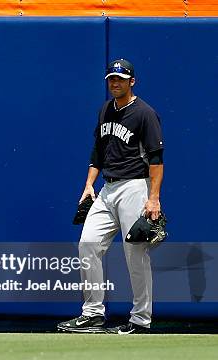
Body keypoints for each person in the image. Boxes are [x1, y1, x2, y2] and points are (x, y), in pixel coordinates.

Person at [57, 59, 165, 335]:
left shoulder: (145, 113)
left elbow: (156, 159)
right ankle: (92, 314)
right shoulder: (105, 109)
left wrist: (153, 199)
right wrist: (89, 185)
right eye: (111, 79)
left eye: (120, 78)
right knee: (88, 244)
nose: (115, 83)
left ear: (132, 82)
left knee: (135, 254)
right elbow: (98, 152)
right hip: (107, 189)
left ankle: (141, 319)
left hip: (135, 188)